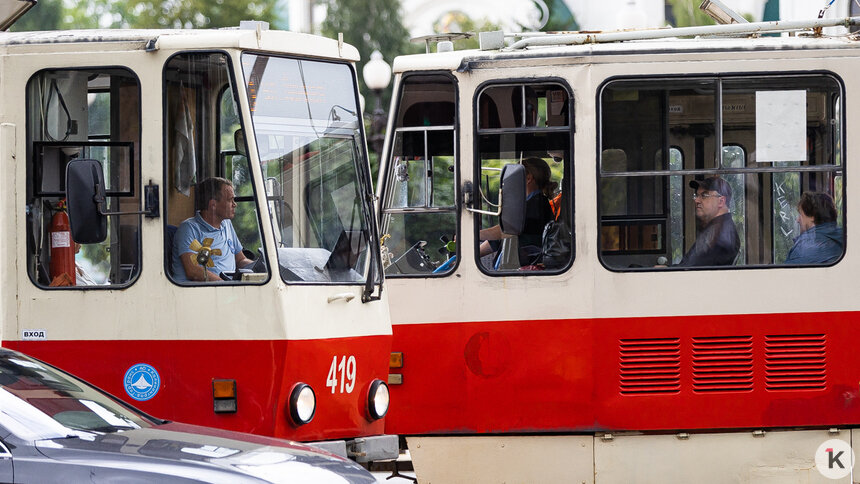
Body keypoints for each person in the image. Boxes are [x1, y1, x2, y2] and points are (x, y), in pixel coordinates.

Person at [172, 177, 253, 282]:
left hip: (224, 288)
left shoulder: (226, 224)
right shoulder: (189, 229)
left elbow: (240, 260)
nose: (234, 204)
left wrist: (259, 268)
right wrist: (225, 285)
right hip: (198, 292)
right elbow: (193, 271)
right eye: (230, 200)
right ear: (213, 205)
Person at [479, 157, 556, 267]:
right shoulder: (528, 204)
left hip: (524, 270)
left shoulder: (536, 205)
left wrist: (471, 235)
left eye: (515, 176)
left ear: (528, 178)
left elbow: (505, 231)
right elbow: (499, 240)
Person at [677, 176, 740, 267]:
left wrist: (666, 270)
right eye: (697, 195)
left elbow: (692, 268)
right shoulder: (717, 228)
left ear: (721, 201)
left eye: (704, 195)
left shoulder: (720, 233)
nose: (696, 200)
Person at [784, 191, 843, 264]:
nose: (798, 220)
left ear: (812, 216)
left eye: (801, 215)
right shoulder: (844, 238)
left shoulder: (804, 247)